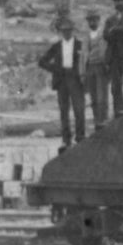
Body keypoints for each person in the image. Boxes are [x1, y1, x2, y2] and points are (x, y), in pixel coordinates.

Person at [38, 16, 86, 151]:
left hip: (76, 79)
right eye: (64, 31)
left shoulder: (80, 45)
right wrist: (56, 69)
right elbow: (42, 61)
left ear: (73, 31)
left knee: (79, 109)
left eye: (69, 30)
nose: (67, 33)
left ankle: (80, 137)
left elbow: (86, 61)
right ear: (61, 32)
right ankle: (66, 140)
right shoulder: (56, 46)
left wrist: (81, 74)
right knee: (64, 111)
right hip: (62, 80)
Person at [82, 8, 109, 132]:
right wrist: (83, 71)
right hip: (90, 68)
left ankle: (104, 120)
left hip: (101, 67)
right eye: (90, 21)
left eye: (94, 20)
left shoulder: (104, 34)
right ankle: (97, 121)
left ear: (99, 20)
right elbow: (83, 54)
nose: (92, 23)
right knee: (93, 97)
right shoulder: (86, 36)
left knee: (101, 97)